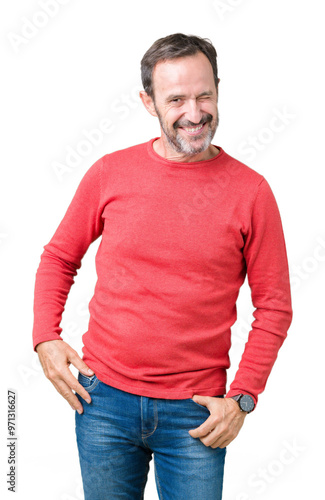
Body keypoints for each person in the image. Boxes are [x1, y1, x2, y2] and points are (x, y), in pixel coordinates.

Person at [32, 33, 293, 500]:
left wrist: (244, 398)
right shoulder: (110, 173)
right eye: (176, 99)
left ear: (218, 89)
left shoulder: (252, 192)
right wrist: (45, 338)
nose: (194, 114)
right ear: (148, 102)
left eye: (204, 95)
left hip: (197, 413)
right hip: (102, 401)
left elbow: (273, 306)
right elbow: (59, 257)